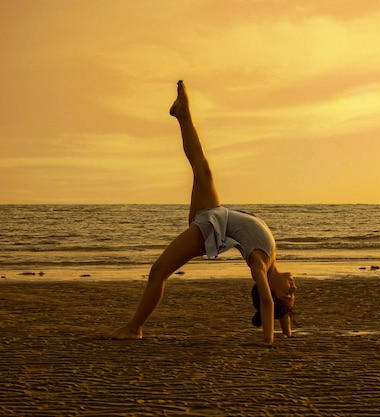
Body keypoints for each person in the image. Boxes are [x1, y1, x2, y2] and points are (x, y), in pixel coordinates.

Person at [108, 80, 297, 346]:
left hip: (211, 229)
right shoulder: (273, 257)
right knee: (202, 167)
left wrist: (269, 339)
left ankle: (135, 327)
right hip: (214, 214)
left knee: (159, 271)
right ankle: (183, 115)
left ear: (272, 291)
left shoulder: (260, 263)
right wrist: (286, 326)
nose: (294, 288)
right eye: (293, 293)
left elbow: (267, 302)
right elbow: (277, 306)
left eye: (287, 295)